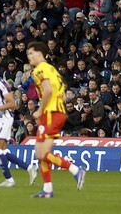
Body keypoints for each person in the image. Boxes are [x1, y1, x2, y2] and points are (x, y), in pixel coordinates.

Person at [25, 40, 85, 197]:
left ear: (40, 53)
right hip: (56, 112)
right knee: (40, 153)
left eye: (31, 53)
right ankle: (47, 189)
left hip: (51, 114)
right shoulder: (52, 69)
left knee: (42, 153)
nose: (29, 56)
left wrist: (40, 110)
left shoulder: (39, 70)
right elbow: (63, 94)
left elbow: (48, 90)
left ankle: (75, 170)